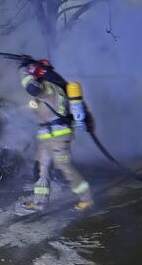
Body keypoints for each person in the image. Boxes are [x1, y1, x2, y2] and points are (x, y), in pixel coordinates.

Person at [19, 59, 94, 212]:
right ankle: (40, 202)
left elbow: (32, 88)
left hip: (58, 136)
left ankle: (86, 198)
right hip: (47, 136)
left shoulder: (49, 88)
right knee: (43, 168)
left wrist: (23, 70)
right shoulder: (49, 90)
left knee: (64, 166)